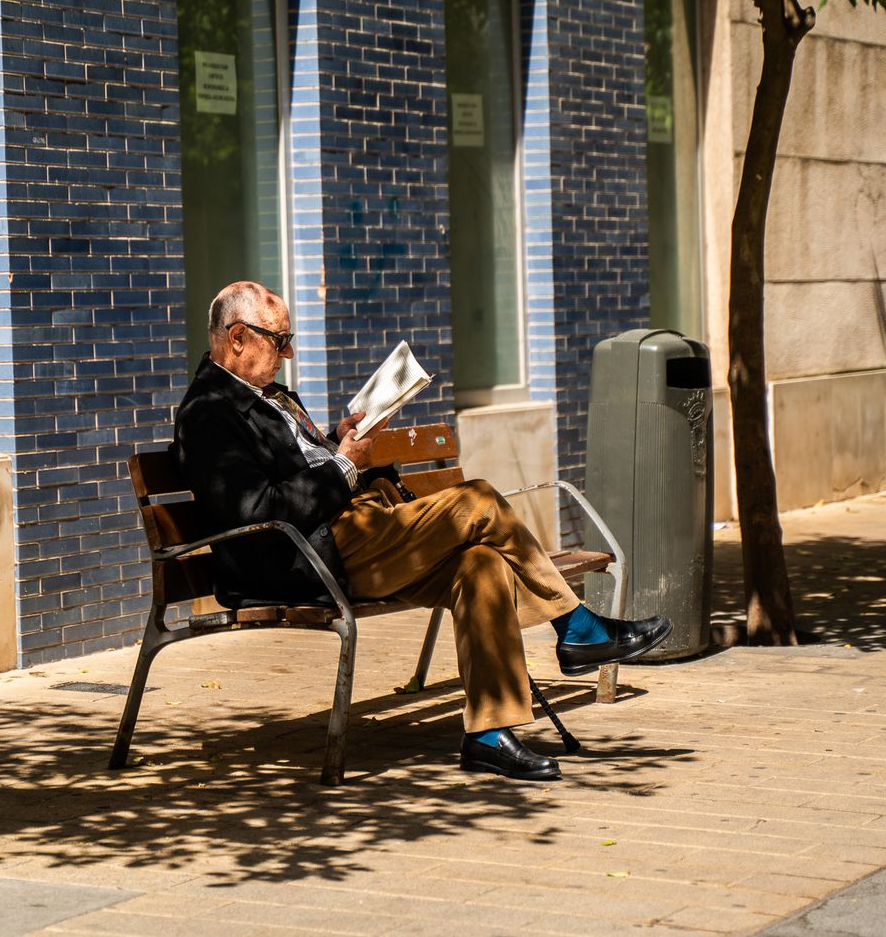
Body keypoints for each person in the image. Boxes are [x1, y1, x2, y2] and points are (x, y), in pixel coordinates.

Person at [173, 281, 671, 780]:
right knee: (476, 501)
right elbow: (258, 511)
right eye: (280, 340)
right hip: (306, 556)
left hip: (355, 531)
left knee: (482, 564)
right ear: (237, 337)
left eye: (289, 340)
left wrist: (337, 441)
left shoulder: (265, 395)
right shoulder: (209, 413)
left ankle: (489, 736)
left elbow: (295, 467)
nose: (289, 352)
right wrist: (344, 465)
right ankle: (577, 627)